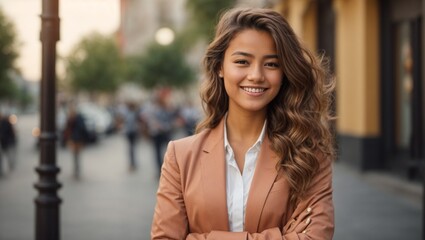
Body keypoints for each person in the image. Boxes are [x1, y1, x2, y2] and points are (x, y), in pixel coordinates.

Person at [151, 7, 335, 239]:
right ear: (220, 67)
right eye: (242, 61)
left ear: (285, 72)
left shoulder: (309, 155)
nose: (256, 75)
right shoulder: (180, 156)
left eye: (271, 64)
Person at [63, 106, 89, 179]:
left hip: (77, 139)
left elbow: (82, 128)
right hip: (74, 139)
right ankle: (76, 170)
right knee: (75, 155)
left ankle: (76, 170)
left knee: (76, 155)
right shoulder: (71, 119)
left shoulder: (77, 118)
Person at [123, 102, 141, 171]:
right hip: (129, 132)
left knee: (132, 149)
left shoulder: (134, 114)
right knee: (131, 149)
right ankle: (132, 163)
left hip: (133, 132)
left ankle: (133, 163)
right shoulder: (128, 113)